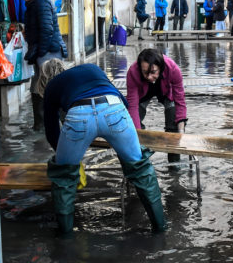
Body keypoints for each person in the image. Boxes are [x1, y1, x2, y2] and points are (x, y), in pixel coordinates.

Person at [39, 60, 166, 235]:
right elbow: (123, 101)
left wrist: (65, 159)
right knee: (141, 168)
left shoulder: (52, 86)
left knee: (63, 177)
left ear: (45, 78)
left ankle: (65, 237)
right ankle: (160, 229)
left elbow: (51, 130)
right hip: (114, 109)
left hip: (78, 116)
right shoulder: (91, 68)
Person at [19, 0, 67, 130]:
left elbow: (47, 30)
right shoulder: (32, 4)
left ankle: (65, 124)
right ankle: (41, 125)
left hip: (48, 52)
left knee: (52, 87)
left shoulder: (41, 2)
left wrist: (39, 52)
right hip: (43, 52)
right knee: (38, 87)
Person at [126, 49, 188, 163]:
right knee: (131, 123)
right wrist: (137, 135)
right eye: (145, 72)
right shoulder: (133, 72)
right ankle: (142, 159)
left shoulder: (173, 69)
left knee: (174, 125)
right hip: (143, 93)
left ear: (161, 67)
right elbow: (132, 105)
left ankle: (174, 165)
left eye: (153, 72)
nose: (149, 77)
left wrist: (181, 130)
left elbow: (180, 100)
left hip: (165, 91)